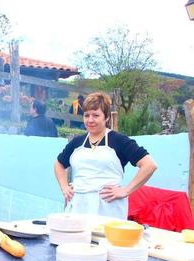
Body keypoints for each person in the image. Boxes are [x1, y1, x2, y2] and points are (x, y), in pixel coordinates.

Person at [54, 92, 157, 220]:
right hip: (78, 206)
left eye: (96, 115)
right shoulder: (77, 142)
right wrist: (64, 186)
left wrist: (126, 191)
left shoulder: (119, 141)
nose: (90, 120)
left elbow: (149, 165)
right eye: (87, 115)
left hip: (108, 208)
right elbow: (59, 164)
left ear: (106, 117)